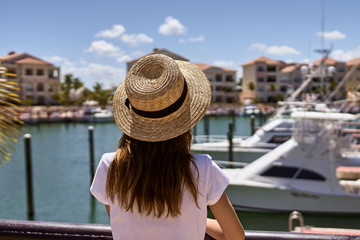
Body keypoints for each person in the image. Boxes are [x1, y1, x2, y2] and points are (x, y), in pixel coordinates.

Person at [90, 54, 245, 240]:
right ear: (186, 119)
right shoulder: (202, 168)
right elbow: (235, 236)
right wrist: (197, 219)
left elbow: (121, 222)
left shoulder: (111, 166)